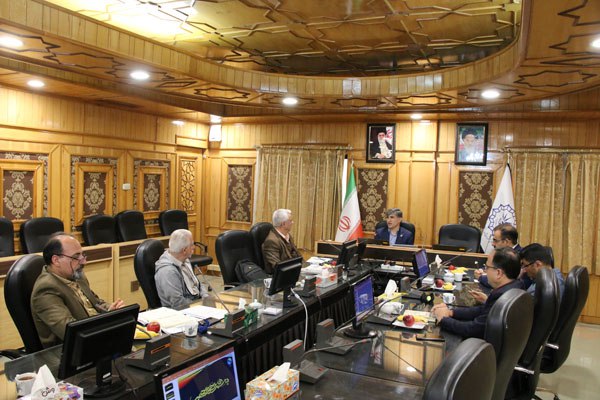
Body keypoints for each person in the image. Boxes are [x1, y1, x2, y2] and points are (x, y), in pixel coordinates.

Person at [31, 233, 124, 348]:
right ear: (56, 260)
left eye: (82, 255)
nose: (83, 262)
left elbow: (96, 303)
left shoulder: (77, 276)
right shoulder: (46, 290)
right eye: (76, 257)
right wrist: (106, 323)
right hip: (70, 350)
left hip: (96, 337)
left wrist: (111, 310)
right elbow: (70, 331)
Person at [432, 247, 523, 339]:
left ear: (499, 273)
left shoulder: (502, 297)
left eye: (487, 267)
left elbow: (472, 329)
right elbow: (482, 310)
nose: (485, 271)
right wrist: (451, 312)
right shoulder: (516, 286)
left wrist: (443, 319)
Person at [155, 229, 207, 310]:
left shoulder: (185, 259)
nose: (193, 247)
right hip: (182, 311)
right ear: (184, 250)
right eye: (192, 245)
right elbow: (178, 304)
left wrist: (206, 297)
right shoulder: (168, 272)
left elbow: (197, 284)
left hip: (196, 304)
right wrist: (201, 307)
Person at [262, 209, 302, 274]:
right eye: (290, 221)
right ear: (283, 224)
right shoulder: (271, 241)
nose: (293, 222)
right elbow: (278, 266)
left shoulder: (287, 235)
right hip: (280, 276)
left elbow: (298, 255)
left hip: (293, 270)